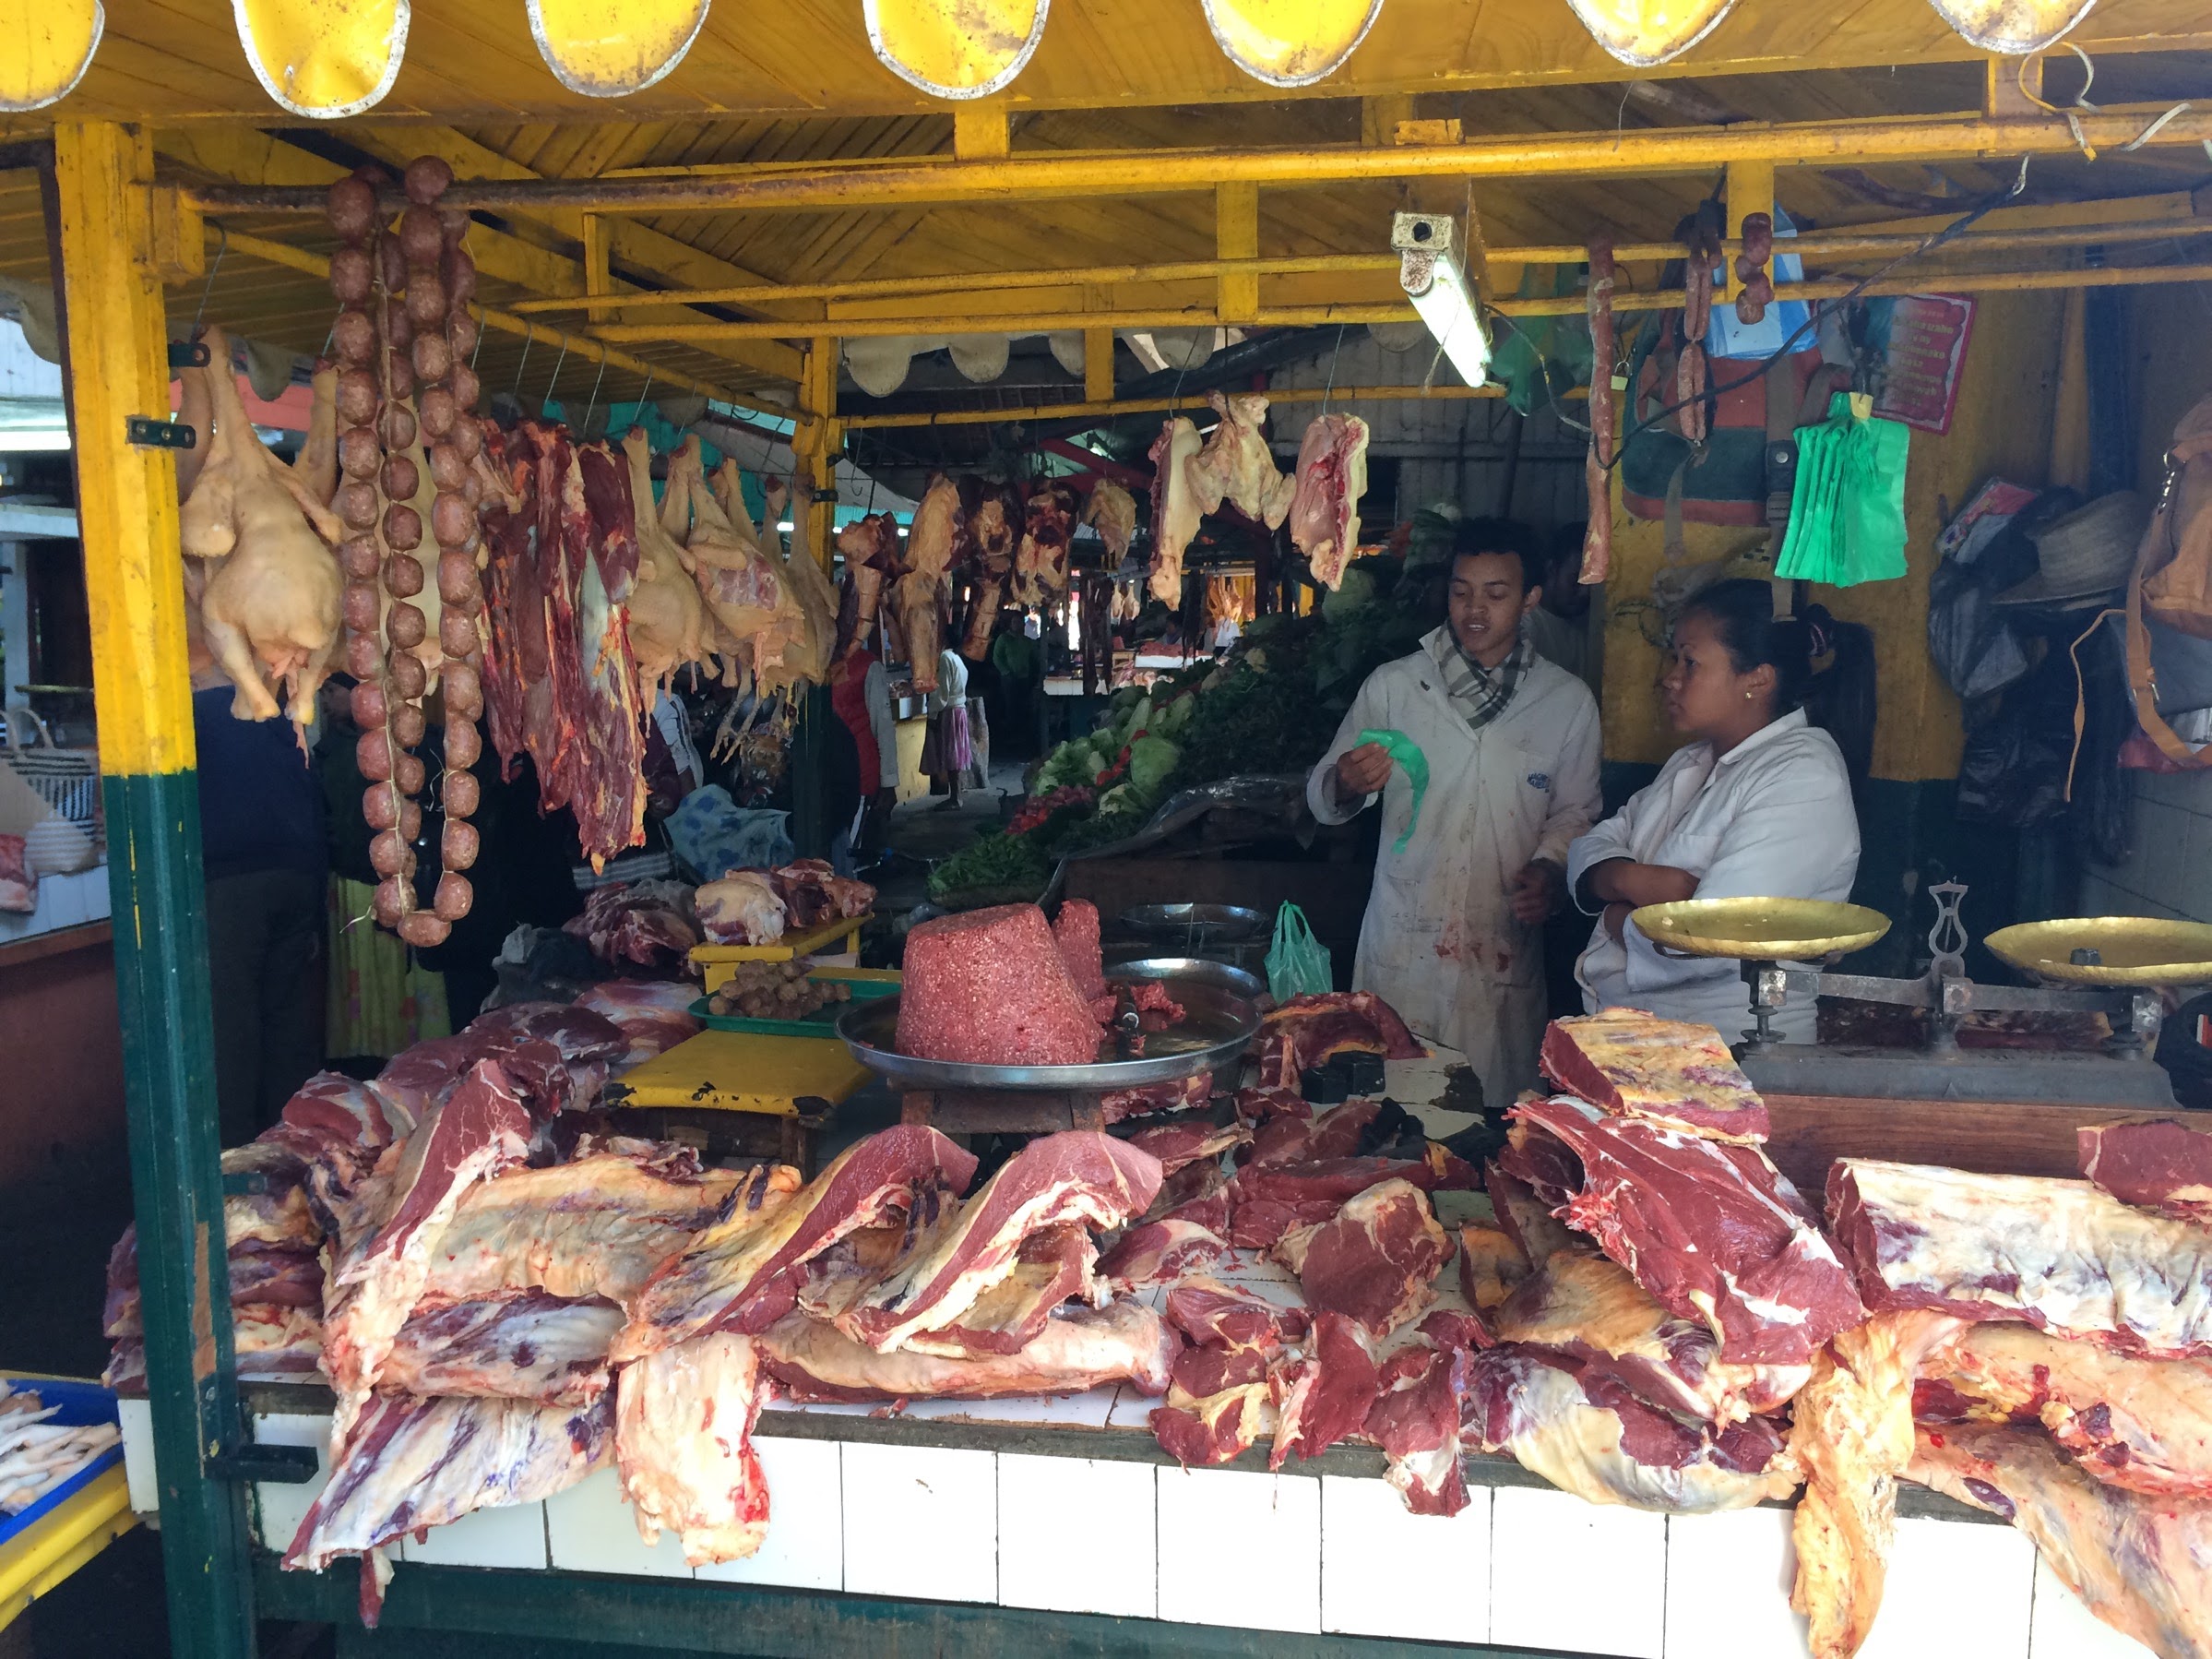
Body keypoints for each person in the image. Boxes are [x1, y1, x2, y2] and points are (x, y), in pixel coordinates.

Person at [1307, 518, 1602, 1107]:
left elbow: (1577, 813)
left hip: (1499, 947)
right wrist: (1345, 782)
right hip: (1403, 945)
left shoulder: (1566, 703)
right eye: (1462, 591)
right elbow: (1323, 794)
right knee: (1388, 1119)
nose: (1475, 609)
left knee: (1491, 1123)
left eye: (1496, 594)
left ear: (1530, 599)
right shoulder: (1394, 688)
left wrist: (1549, 869)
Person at [1566, 578, 1873, 1041]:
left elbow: (1716, 941)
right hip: (1641, 1037)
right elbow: (1590, 847)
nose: (1670, 678)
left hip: (1733, 1046)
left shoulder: (1804, 776)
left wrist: (1612, 917)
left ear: (1758, 679)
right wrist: (1630, 880)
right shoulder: (1692, 761)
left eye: (1690, 663)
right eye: (1674, 658)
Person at [194, 681, 328, 1148]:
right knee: (286, 1016)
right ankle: (294, 1147)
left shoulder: (191, 713)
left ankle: (233, 1156)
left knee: (231, 1021)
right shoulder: (272, 711)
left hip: (233, 882)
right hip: (296, 874)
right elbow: (309, 793)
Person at [829, 638, 899, 857]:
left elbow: (883, 726)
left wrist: (888, 783)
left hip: (861, 771)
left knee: (852, 850)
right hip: (825, 774)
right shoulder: (812, 665)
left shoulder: (869, 666)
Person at [922, 645, 972, 806]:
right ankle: (956, 795)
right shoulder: (955, 657)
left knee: (952, 756)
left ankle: (956, 797)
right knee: (954, 754)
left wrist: (932, 713)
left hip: (949, 711)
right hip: (957, 708)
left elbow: (942, 692)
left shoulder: (944, 658)